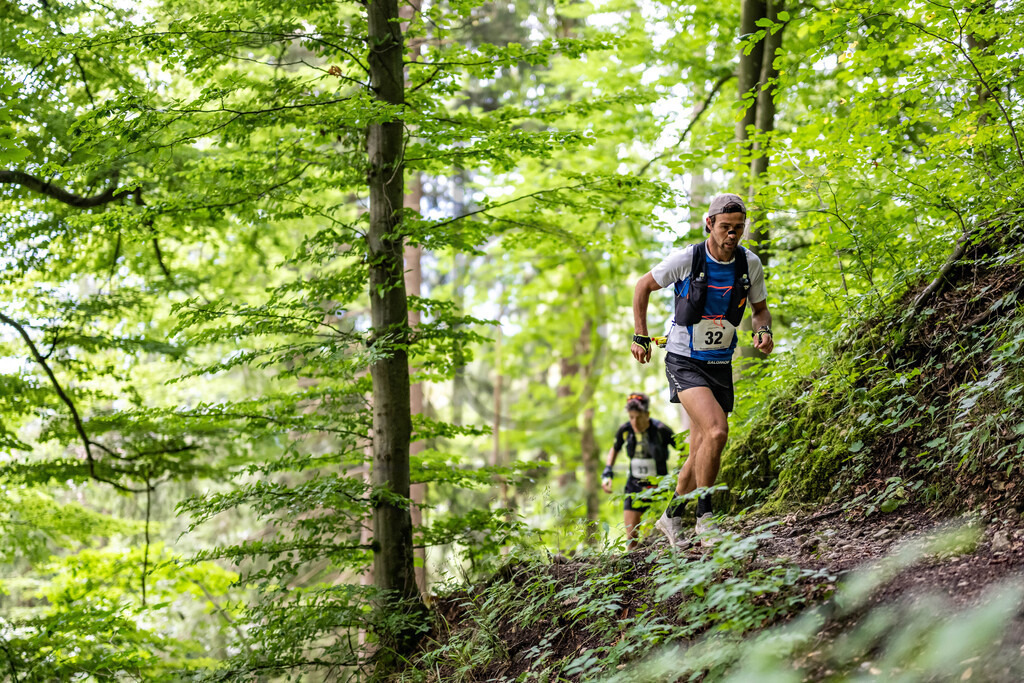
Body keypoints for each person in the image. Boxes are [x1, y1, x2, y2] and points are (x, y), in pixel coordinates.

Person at [630, 193, 774, 548]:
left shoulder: (749, 263)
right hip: (683, 360)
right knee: (717, 431)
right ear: (709, 224)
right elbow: (642, 286)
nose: (732, 234)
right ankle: (705, 518)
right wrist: (641, 335)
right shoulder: (688, 259)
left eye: (738, 228)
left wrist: (764, 331)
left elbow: (759, 310)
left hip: (720, 363)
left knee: (700, 447)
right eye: (725, 227)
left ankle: (671, 516)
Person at [601, 392, 677, 550]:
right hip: (634, 486)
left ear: (647, 414)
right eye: (631, 417)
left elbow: (683, 448)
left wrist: (680, 473)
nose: (634, 422)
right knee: (631, 538)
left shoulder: (661, 430)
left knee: (654, 537)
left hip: (658, 487)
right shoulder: (625, 430)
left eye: (638, 417)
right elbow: (614, 449)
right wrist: (607, 472)